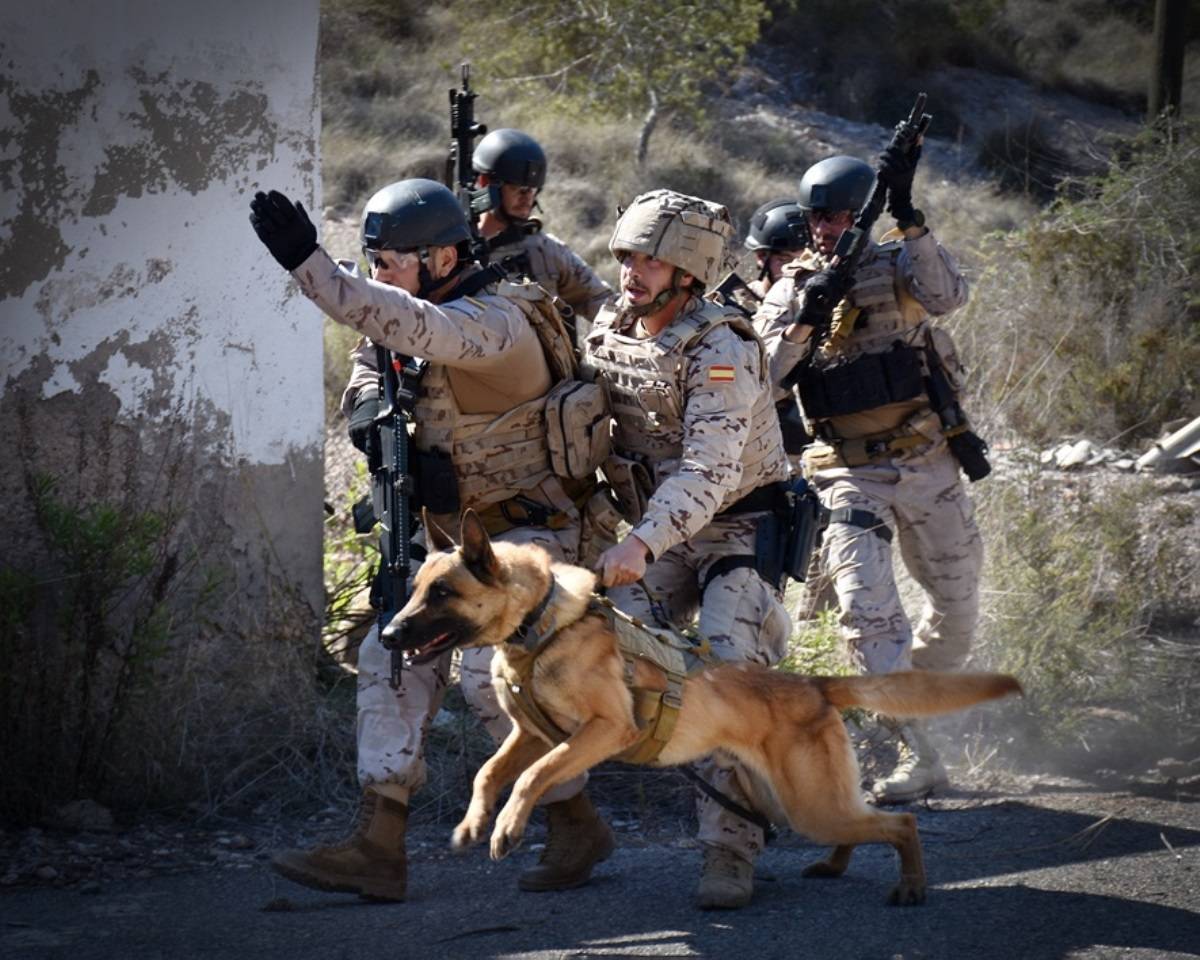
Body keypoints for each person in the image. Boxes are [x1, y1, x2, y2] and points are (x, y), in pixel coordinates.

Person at [248, 178, 614, 901]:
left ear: (444, 257)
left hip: (527, 540)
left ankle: (576, 822)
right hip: (449, 544)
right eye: (373, 262)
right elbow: (372, 361)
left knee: (490, 683)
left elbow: (403, 324)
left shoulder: (492, 321)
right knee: (389, 656)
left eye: (391, 262)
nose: (379, 275)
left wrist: (312, 266)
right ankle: (378, 845)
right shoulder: (418, 313)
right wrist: (366, 415)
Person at [581, 189, 793, 910]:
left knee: (725, 667)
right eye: (627, 256)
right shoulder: (615, 326)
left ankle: (731, 851)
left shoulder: (722, 344)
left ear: (688, 272)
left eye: (651, 259)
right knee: (607, 645)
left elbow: (711, 471)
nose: (632, 272)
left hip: (738, 528)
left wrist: (638, 541)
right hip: (659, 535)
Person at [752, 150, 982, 804]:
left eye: (840, 215)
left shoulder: (898, 264)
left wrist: (912, 220)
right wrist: (806, 315)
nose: (827, 227)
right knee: (865, 610)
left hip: (925, 461)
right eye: (818, 216)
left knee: (958, 608)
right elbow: (763, 374)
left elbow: (948, 295)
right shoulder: (791, 285)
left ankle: (915, 694)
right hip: (848, 473)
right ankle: (918, 750)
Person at [472, 128, 613, 333]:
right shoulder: (452, 254)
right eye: (518, 189)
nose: (527, 198)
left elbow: (599, 300)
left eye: (532, 190)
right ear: (486, 184)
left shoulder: (545, 251)